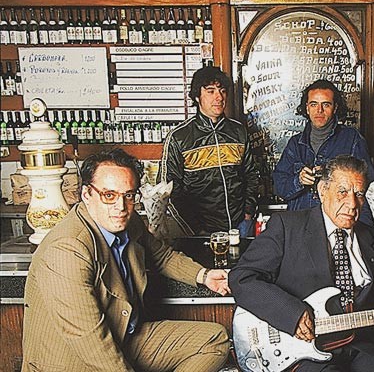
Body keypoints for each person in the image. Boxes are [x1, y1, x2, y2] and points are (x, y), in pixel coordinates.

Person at [22, 148, 231, 372]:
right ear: (86, 194)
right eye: (109, 195)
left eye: (128, 195)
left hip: (124, 337)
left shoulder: (127, 222)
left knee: (214, 341)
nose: (120, 207)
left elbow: (161, 255)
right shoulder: (67, 249)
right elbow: (91, 342)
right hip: (73, 361)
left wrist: (204, 276)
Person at [230, 155, 374, 372]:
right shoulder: (287, 227)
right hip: (302, 349)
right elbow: (241, 278)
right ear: (322, 191)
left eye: (359, 194)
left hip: (361, 347)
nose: (352, 204)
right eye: (342, 192)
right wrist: (292, 314)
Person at [159, 66, 259, 236]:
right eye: (211, 91)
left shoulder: (239, 132)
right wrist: (195, 229)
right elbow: (169, 190)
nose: (219, 97)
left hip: (240, 226)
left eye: (222, 91)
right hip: (200, 232)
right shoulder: (179, 137)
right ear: (197, 96)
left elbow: (251, 175)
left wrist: (248, 214)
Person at [272, 79, 374, 225]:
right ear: (307, 108)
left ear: (335, 108)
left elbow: (367, 186)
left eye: (326, 104)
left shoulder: (352, 139)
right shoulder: (295, 144)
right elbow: (279, 187)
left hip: (338, 223)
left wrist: (332, 176)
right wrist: (299, 181)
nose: (319, 110)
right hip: (301, 225)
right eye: (314, 104)